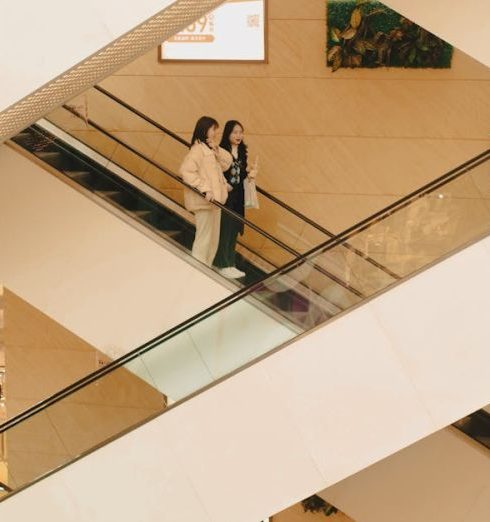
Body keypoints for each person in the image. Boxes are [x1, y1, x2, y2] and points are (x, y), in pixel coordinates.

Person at [180, 116, 232, 265]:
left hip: (215, 203)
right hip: (204, 202)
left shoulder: (209, 148)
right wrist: (205, 189)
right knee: (204, 238)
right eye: (213, 129)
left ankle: (206, 268)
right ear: (205, 129)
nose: (215, 132)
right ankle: (198, 269)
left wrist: (217, 150)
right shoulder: (197, 150)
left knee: (212, 240)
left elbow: (227, 163)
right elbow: (186, 171)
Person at [213, 120, 258, 278]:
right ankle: (221, 264)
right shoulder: (222, 150)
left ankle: (230, 263)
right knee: (225, 229)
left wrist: (250, 174)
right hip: (226, 195)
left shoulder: (242, 151)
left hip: (238, 196)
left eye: (241, 132)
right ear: (228, 134)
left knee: (234, 229)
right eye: (235, 132)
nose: (238, 135)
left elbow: (242, 175)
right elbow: (216, 172)